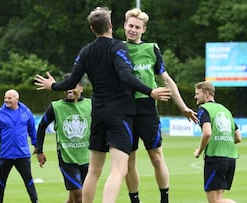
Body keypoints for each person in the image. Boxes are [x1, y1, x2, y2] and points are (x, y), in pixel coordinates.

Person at [34, 7, 172, 203]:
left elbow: (72, 81)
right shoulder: (118, 47)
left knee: (93, 170)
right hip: (120, 114)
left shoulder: (85, 51)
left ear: (92, 29)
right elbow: (125, 76)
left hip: (97, 113)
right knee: (119, 169)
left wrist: (53, 85)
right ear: (110, 25)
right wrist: (151, 91)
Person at [123, 8, 198, 203]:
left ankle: (164, 199)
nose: (133, 30)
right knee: (128, 161)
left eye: (137, 27)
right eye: (130, 25)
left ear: (143, 29)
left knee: (156, 157)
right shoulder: (117, 48)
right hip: (124, 110)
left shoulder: (151, 49)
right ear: (124, 26)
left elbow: (167, 80)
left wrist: (183, 106)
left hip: (147, 109)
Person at [35, 74, 91, 203]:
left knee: (72, 198)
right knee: (79, 195)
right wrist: (39, 150)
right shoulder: (56, 107)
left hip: (86, 157)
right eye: (67, 85)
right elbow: (42, 126)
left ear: (81, 88)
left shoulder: (90, 105)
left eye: (74, 85)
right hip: (67, 158)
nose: (69, 88)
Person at [193, 81, 242, 203]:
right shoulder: (226, 111)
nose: (195, 96)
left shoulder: (203, 109)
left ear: (206, 94)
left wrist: (199, 151)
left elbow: (207, 133)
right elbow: (238, 137)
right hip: (230, 158)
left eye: (197, 93)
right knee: (219, 198)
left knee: (214, 201)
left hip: (215, 158)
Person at [0, 89, 38, 203]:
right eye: (5, 98)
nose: (6, 100)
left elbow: (32, 130)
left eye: (9, 98)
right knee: (1, 181)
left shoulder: (26, 112)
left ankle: (35, 201)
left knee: (29, 181)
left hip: (23, 154)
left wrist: (36, 145)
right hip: (6, 154)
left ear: (16, 99)